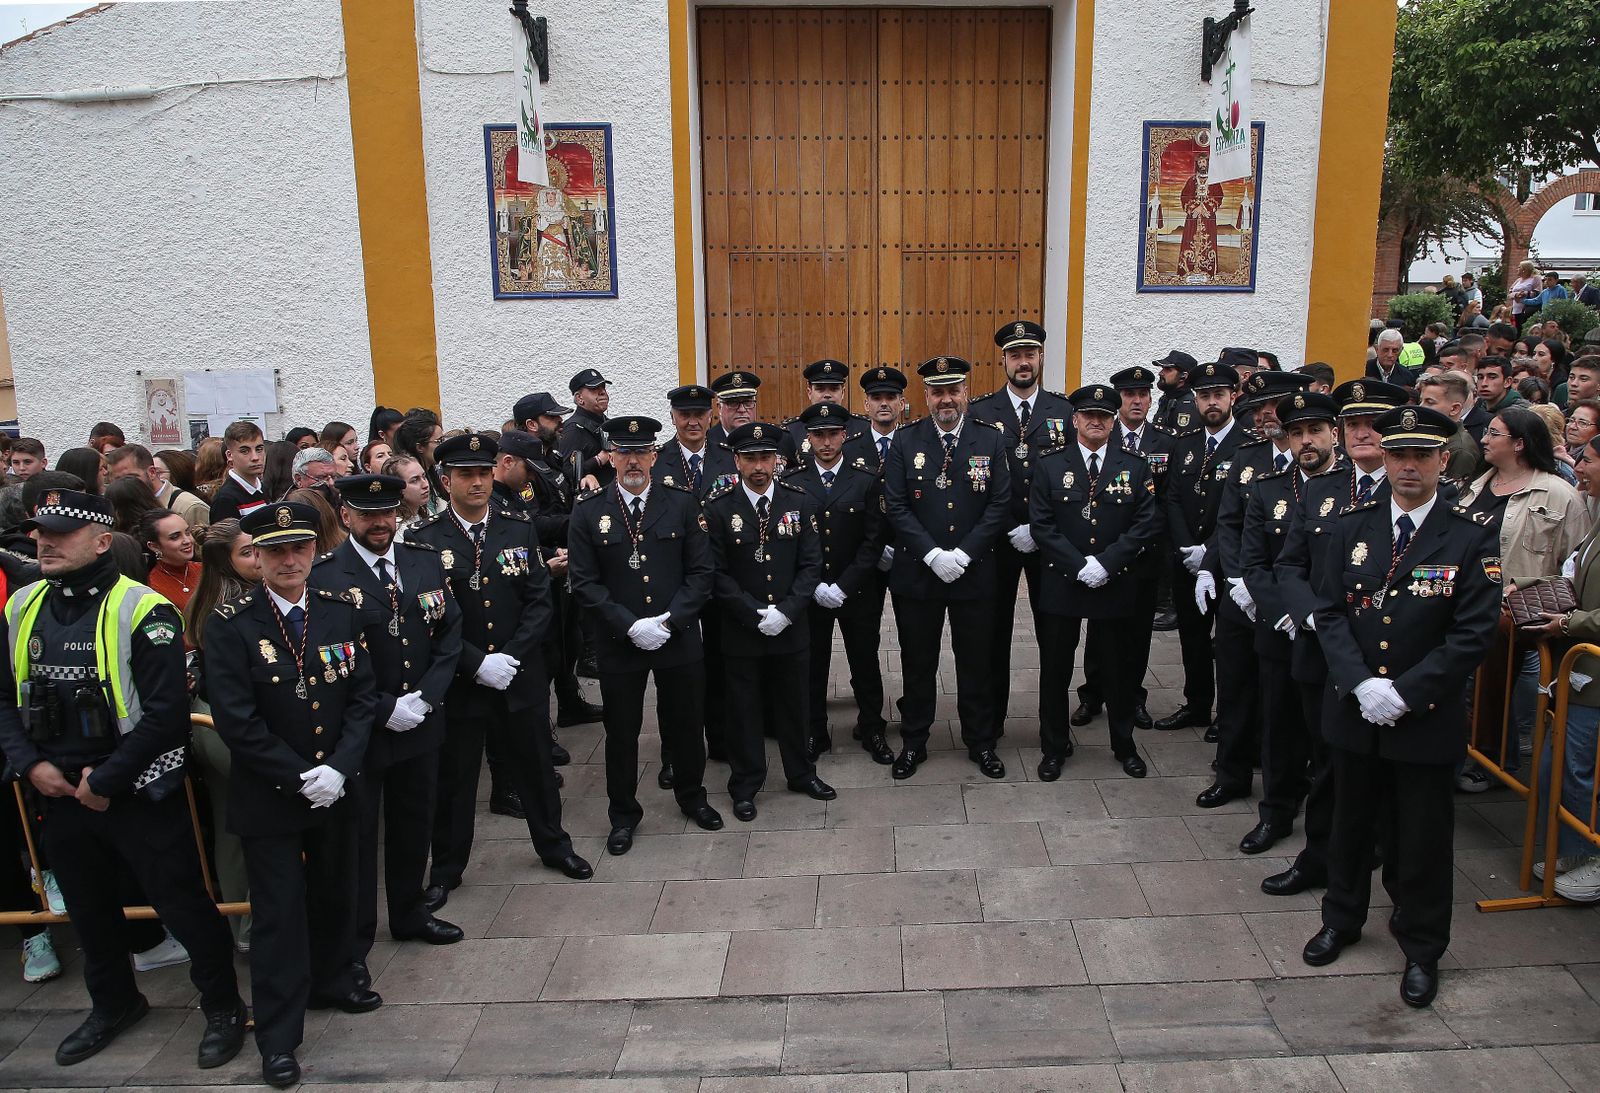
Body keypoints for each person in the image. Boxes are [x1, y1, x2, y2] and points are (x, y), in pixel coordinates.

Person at [0, 488, 247, 1071]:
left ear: (101, 542)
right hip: (59, 791)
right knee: (89, 911)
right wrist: (31, 765)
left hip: (137, 793)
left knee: (183, 905)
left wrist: (106, 780)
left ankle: (222, 1006)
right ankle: (113, 1003)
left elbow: (165, 716)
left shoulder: (143, 609)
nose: (44, 543)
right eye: (41, 533)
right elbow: (5, 700)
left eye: (60, 534)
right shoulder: (22, 605)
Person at [1301, 405, 1502, 1009]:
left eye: (1421, 455)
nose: (1408, 466)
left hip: (1425, 714)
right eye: (1398, 455)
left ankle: (1421, 945)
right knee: (1348, 823)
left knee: (1421, 836)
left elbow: (1473, 632)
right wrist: (1361, 684)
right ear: (1384, 459)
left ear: (1444, 460)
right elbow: (1329, 611)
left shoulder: (1469, 533)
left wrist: (1407, 692)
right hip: (1355, 707)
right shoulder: (1351, 525)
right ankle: (1341, 918)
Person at [205, 501, 380, 1087]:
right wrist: (300, 775)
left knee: (337, 893)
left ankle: (334, 981)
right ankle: (279, 1036)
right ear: (255, 557)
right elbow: (236, 719)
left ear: (314, 551)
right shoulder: (231, 624)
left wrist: (341, 769)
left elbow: (362, 698)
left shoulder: (340, 611)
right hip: (273, 793)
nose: (288, 560)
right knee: (279, 916)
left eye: (299, 548)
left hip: (337, 787)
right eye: (275, 550)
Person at [408, 432, 592, 908]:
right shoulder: (425, 541)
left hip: (517, 673)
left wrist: (510, 656)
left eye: (483, 473)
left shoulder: (517, 527)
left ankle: (554, 845)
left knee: (536, 766)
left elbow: (538, 600)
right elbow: (431, 618)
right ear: (445, 480)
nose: (477, 483)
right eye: (465, 475)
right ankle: (447, 869)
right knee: (457, 779)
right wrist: (477, 663)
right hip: (462, 681)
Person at [312, 474, 466, 983]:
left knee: (414, 822)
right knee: (359, 839)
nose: (380, 523)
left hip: (421, 718)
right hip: (364, 730)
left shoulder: (422, 560)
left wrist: (427, 696)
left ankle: (410, 911)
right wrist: (384, 707)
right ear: (346, 516)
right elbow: (328, 660)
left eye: (387, 513)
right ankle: (355, 943)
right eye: (368, 514)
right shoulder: (326, 575)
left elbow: (449, 630)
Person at [567, 415, 723, 848]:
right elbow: (584, 581)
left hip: (677, 635)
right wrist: (630, 625)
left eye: (640, 452)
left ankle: (692, 797)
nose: (632, 461)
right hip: (620, 641)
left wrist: (670, 621)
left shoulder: (682, 504)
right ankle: (622, 814)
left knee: (687, 723)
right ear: (612, 457)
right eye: (624, 452)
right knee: (621, 732)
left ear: (654, 456)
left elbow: (701, 572)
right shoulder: (589, 511)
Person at [882, 356, 1013, 779]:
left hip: (974, 573)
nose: (946, 400)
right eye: (938, 392)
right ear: (926, 397)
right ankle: (914, 742)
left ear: (965, 394)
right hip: (919, 574)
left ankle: (981, 741)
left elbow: (999, 503)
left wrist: (965, 553)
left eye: (953, 391)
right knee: (918, 662)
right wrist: (933, 555)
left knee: (976, 662)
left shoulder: (990, 439)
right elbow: (896, 505)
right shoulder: (906, 441)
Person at [702, 422, 833, 818]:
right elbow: (715, 572)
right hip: (742, 628)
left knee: (794, 703)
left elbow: (811, 565)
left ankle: (801, 772)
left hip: (790, 626)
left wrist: (787, 611)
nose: (758, 466)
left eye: (765, 457)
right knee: (743, 710)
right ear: (736, 461)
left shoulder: (800, 501)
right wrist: (751, 611)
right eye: (750, 458)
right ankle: (745, 783)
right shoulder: (718, 507)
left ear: (777, 460)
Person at [1031, 383, 1161, 779]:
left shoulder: (1134, 465)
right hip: (1063, 581)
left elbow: (1145, 523)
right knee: (1055, 670)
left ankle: (1124, 745)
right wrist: (1077, 564)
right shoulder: (1050, 464)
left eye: (1104, 416)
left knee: (1118, 670)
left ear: (1113, 421)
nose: (1096, 421)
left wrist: (1106, 564)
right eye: (1089, 415)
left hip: (1113, 580)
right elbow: (1042, 524)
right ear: (1075, 420)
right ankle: (1054, 747)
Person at [969, 320, 1073, 740]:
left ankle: (1054, 732)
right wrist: (1011, 525)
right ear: (1004, 361)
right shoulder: (980, 412)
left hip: (1049, 544)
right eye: (1015, 355)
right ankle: (991, 725)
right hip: (998, 542)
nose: (1023, 362)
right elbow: (975, 485)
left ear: (1041, 357)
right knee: (993, 636)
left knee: (1055, 639)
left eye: (1030, 354)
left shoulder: (1064, 411)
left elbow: (1071, 479)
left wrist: (1038, 528)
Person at [785, 402, 893, 763]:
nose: (827, 442)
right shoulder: (794, 482)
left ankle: (872, 728)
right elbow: (793, 542)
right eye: (819, 435)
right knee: (811, 664)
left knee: (865, 662)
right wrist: (815, 585)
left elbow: (873, 541)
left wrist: (844, 585)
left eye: (833, 434)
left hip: (856, 590)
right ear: (809, 438)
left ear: (845, 435)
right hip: (811, 593)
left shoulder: (866, 479)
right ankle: (814, 731)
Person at [1078, 365, 1177, 725]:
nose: (1136, 401)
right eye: (1129, 395)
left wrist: (1142, 537)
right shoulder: (1103, 435)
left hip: (1145, 554)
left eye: (1143, 394)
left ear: (1151, 400)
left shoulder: (1165, 442)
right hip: (1105, 553)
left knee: (1138, 631)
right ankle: (1092, 695)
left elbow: (1167, 500)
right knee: (1098, 628)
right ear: (1118, 400)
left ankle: (1133, 697)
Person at [1525, 433, 1600, 900]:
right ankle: (1572, 847)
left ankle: (1591, 857)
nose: (1578, 466)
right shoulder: (1596, 516)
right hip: (1579, 674)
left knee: (1578, 768)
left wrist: (1572, 622)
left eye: (1587, 460)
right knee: (1561, 765)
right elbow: (1574, 573)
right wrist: (1530, 588)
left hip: (1592, 673)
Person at [1155, 361, 1243, 733]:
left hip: (1227, 561)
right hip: (1187, 559)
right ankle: (1197, 704)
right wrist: (1186, 547)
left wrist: (1209, 551)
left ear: (1233, 397)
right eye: (1204, 396)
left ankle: (1228, 714)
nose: (1211, 403)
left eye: (1218, 395)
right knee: (1192, 636)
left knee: (1229, 642)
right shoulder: (1186, 443)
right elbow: (1173, 498)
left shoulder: (1247, 446)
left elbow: (1239, 512)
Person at [183, 518, 258, 953]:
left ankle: (243, 926)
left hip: (211, 722)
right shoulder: (233, 609)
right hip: (223, 727)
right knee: (249, 826)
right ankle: (250, 924)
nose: (259, 557)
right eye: (247, 552)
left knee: (232, 826)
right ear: (224, 562)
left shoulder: (206, 598)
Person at [653, 384, 735, 498]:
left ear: (710, 416)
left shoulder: (730, 457)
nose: (693, 423)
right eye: (685, 415)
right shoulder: (656, 461)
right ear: (672, 417)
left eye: (699, 415)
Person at [783, 359, 869, 464]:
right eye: (820, 389)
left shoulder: (863, 428)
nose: (827, 395)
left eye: (834, 389)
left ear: (843, 392)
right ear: (809, 392)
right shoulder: (791, 431)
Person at [1416, 370, 1482, 484]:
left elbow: (1452, 492)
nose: (1421, 407)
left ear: (1454, 409)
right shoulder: (1432, 435)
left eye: (1430, 402)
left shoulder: (1460, 450)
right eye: (1421, 401)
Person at [560, 368, 613, 488]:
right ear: (579, 398)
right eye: (594, 389)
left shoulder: (609, 425)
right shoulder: (573, 429)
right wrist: (598, 460)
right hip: (591, 496)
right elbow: (565, 473)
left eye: (603, 387)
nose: (602, 392)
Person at [140, 509, 200, 613]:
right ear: (154, 546)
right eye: (175, 537)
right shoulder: (153, 586)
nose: (187, 541)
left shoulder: (206, 570)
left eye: (187, 532)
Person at [209, 422, 268, 521]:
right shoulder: (225, 500)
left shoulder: (262, 488)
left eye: (259, 449)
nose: (255, 457)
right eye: (245, 451)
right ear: (229, 455)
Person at [1149, 350, 1199, 434]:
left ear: (1183, 376)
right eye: (1162, 368)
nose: (1160, 373)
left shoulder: (1187, 407)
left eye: (1168, 369)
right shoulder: (1167, 399)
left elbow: (1183, 441)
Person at [1509, 260, 1543, 328]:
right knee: (1517, 329)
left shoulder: (1535, 278)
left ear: (1524, 270)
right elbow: (1510, 293)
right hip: (1516, 309)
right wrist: (1516, 295)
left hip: (1527, 309)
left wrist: (1525, 293)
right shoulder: (1518, 280)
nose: (1517, 269)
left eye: (1519, 267)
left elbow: (1537, 292)